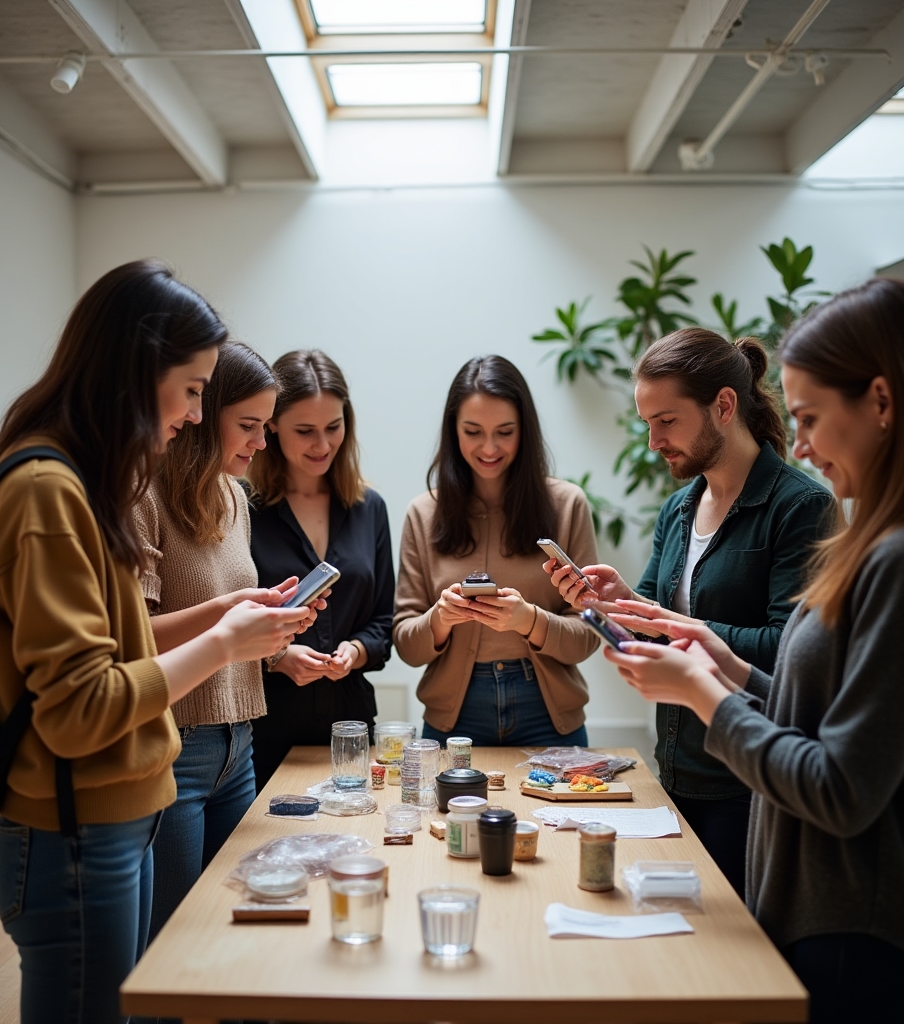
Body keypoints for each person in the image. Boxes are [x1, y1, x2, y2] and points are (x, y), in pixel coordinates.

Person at [606, 279, 904, 1024]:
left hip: (861, 937)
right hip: (833, 921)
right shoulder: (886, 542)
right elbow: (823, 714)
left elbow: (839, 785)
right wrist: (718, 659)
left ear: (883, 404)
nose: (796, 444)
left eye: (808, 418)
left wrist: (706, 691)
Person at [0, 261, 311, 1024]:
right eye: (192, 389)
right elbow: (81, 707)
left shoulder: (83, 486)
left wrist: (227, 616)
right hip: (73, 831)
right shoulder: (47, 492)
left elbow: (116, 646)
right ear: (137, 369)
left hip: (109, 818)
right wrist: (226, 640)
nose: (196, 414)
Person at [545, 329, 834, 896]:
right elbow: (647, 624)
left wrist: (686, 630)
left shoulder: (800, 507)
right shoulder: (679, 508)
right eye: (647, 422)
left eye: (666, 421)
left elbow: (790, 653)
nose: (653, 441)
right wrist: (610, 602)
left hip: (747, 785)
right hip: (675, 770)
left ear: (724, 406)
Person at [132, 342, 318, 946]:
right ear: (200, 414)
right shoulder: (143, 496)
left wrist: (275, 631)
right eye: (249, 426)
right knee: (174, 944)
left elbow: (229, 635)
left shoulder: (235, 497)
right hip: (175, 747)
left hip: (241, 739)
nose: (262, 444)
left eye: (266, 427)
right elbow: (132, 642)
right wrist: (228, 616)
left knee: (231, 931)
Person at [394, 355, 599, 746]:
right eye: (473, 431)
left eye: (505, 431)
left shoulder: (567, 504)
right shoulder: (423, 513)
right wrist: (440, 618)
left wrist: (528, 620)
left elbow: (588, 636)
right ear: (453, 430)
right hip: (454, 717)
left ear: (525, 430)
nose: (489, 447)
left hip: (549, 714)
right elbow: (406, 644)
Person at [247, 350, 394, 788]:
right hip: (266, 727)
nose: (323, 445)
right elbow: (223, 625)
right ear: (271, 425)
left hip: (351, 725)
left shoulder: (370, 508)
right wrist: (275, 658)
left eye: (334, 427)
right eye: (305, 431)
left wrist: (357, 650)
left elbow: (384, 623)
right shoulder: (241, 507)